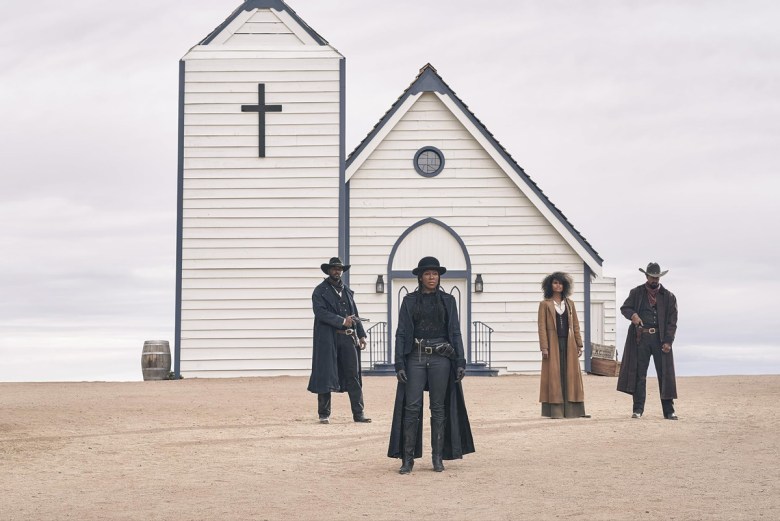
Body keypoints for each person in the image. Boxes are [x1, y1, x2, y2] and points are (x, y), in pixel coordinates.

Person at [387, 256, 474, 474]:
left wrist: (461, 361)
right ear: (420, 277)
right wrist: (399, 363)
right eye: (427, 273)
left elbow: (455, 330)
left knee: (438, 408)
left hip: (441, 357)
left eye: (435, 273)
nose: (432, 277)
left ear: (439, 276)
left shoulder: (448, 300)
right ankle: (407, 459)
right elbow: (401, 333)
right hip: (415, 356)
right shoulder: (408, 301)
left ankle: (437, 458)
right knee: (412, 408)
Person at [307, 257, 371, 424]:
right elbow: (320, 312)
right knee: (326, 375)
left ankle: (359, 413)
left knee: (353, 375)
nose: (337, 271)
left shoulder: (347, 291)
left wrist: (361, 334)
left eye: (339, 269)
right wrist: (342, 321)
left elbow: (354, 313)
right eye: (334, 268)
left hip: (348, 338)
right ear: (328, 270)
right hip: (329, 339)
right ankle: (324, 414)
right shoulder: (319, 291)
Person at [617, 262, 679, 420]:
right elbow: (625, 308)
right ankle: (638, 409)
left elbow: (672, 321)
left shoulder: (669, 296)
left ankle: (669, 411)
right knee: (639, 374)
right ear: (646, 276)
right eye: (652, 277)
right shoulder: (636, 292)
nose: (655, 280)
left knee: (664, 374)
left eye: (657, 277)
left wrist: (668, 341)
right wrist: (633, 316)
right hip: (641, 338)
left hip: (660, 339)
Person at [537, 272, 590, 419]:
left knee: (571, 375)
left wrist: (579, 344)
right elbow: (541, 327)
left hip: (569, 343)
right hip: (553, 344)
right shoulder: (544, 304)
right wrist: (544, 347)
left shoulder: (570, 304)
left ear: (564, 286)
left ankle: (574, 411)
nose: (558, 285)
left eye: (560, 283)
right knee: (554, 375)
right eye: (555, 283)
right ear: (550, 285)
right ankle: (555, 412)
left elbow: (576, 325)